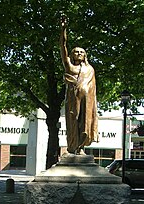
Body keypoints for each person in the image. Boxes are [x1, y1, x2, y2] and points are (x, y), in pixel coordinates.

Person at [60, 17, 99, 155]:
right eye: (76, 51)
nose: (79, 54)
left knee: (85, 124)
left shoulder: (90, 69)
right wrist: (63, 30)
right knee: (72, 123)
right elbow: (63, 48)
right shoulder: (69, 67)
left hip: (87, 102)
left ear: (85, 55)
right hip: (72, 100)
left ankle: (81, 147)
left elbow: (93, 90)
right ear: (72, 54)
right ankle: (72, 147)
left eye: (82, 52)